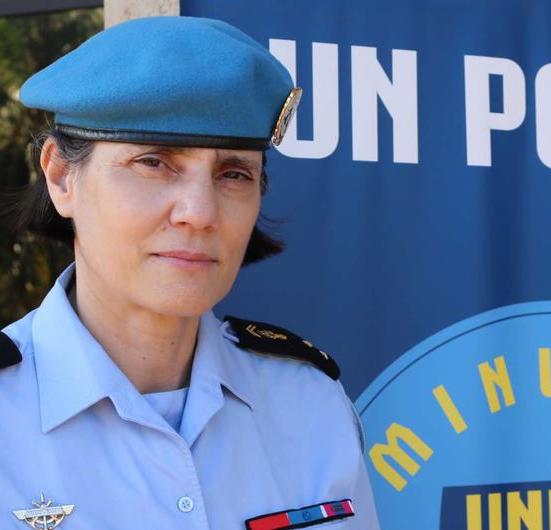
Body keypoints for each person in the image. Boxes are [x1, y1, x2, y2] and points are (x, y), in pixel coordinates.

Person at [0, 16, 380, 530]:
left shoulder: (308, 401)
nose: (200, 213)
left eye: (233, 173)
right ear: (62, 176)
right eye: (153, 163)